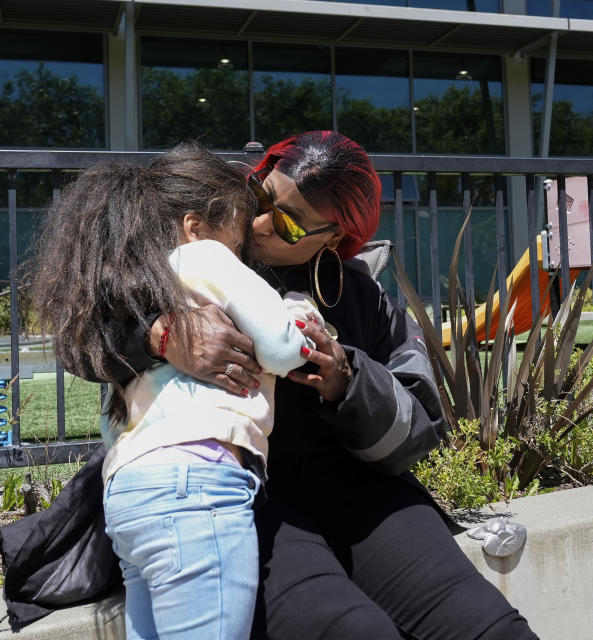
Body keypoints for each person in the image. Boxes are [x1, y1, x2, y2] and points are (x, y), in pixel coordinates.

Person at [97, 131, 539, 639]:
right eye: (262, 196)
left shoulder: (363, 296)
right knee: (351, 631)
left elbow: (421, 425)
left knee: (490, 629)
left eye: (287, 223)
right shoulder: (198, 254)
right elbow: (88, 339)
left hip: (359, 493)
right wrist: (161, 335)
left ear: (332, 238)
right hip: (245, 497)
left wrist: (345, 379)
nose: (260, 223)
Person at [26, 145, 324, 640]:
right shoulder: (203, 255)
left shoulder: (134, 283)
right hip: (198, 487)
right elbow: (281, 348)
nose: (243, 251)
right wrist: (298, 312)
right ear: (195, 226)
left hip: (128, 494)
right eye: (236, 237)